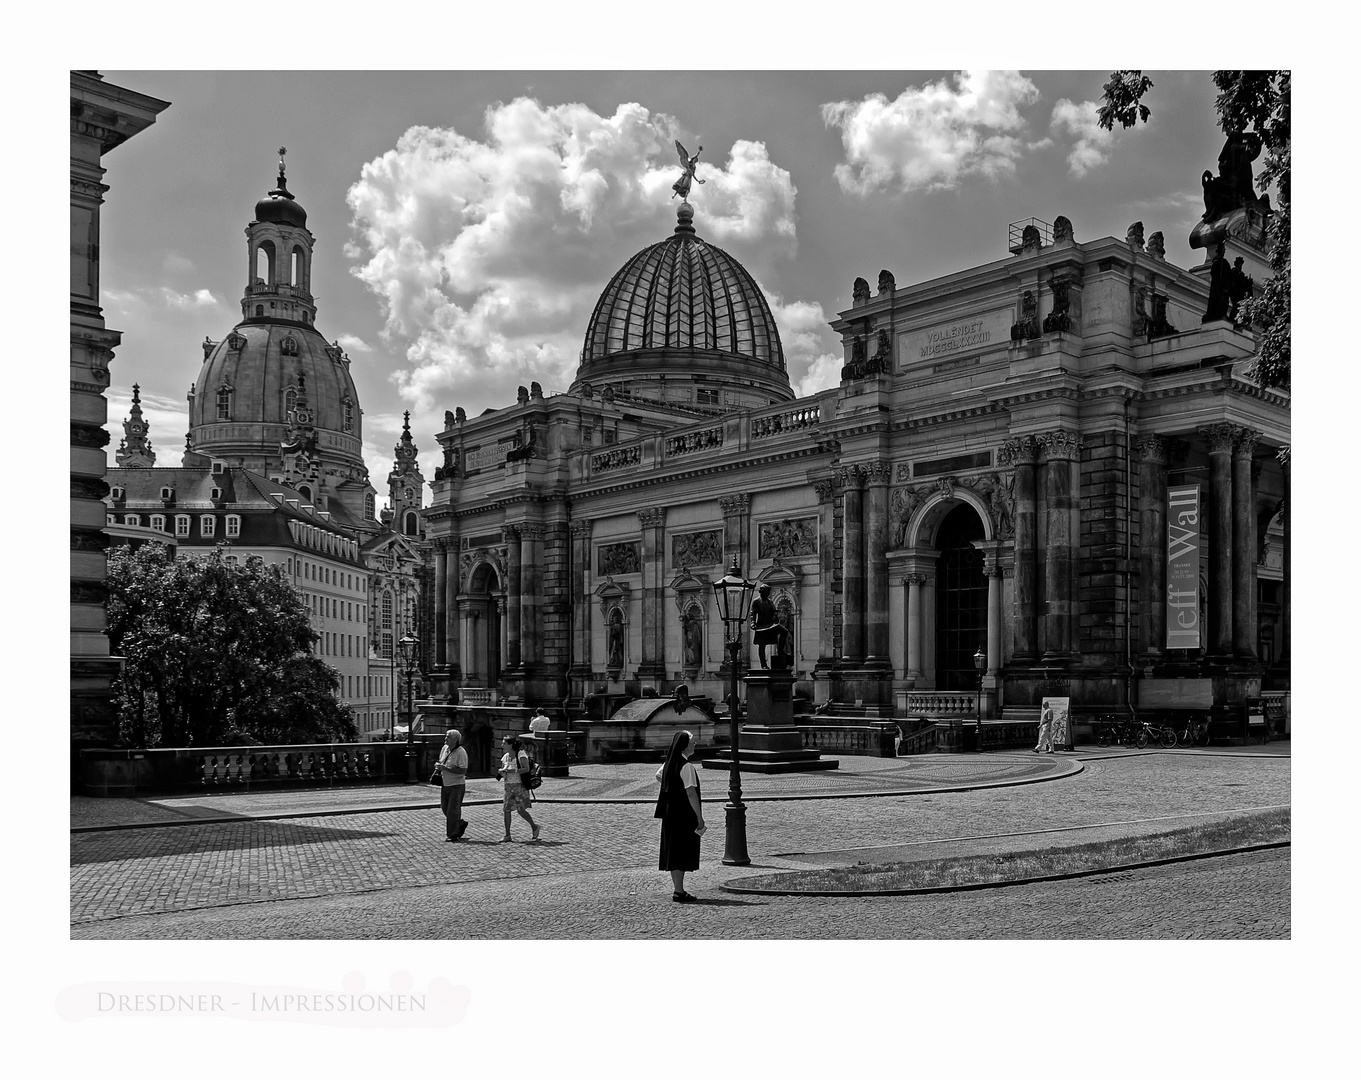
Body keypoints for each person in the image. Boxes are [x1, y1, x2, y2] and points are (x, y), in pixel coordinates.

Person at [654, 730, 706, 902]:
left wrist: (672, 787)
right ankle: (679, 890)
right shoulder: (687, 766)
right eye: (692, 742)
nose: (695, 744)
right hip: (683, 814)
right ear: (685, 746)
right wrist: (699, 817)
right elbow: (691, 793)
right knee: (681, 851)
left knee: (673, 851)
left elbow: (658, 776)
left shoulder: (668, 763)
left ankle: (678, 890)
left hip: (670, 813)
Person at [497, 736, 541, 842]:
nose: (502, 745)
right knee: (506, 810)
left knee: (521, 810)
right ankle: (507, 835)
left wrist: (513, 771)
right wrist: (502, 772)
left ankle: (534, 827)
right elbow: (505, 770)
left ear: (510, 745)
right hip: (508, 786)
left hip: (519, 785)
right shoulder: (505, 757)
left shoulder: (520, 754)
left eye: (504, 743)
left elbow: (526, 769)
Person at [435, 729, 469, 841]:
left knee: (452, 810)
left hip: (457, 784)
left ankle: (452, 834)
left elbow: (463, 771)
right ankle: (459, 823)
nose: (445, 738)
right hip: (446, 784)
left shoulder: (461, 752)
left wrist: (446, 768)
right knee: (444, 808)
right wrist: (439, 766)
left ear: (455, 740)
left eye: (448, 737)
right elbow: (441, 761)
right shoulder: (445, 749)